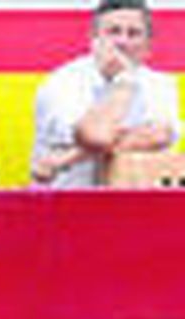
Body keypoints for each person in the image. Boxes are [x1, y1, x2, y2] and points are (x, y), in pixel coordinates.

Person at [30, 0, 178, 187]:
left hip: (127, 198)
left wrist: (67, 158)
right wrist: (123, 82)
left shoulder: (160, 83)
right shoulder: (63, 83)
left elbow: (158, 136)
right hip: (66, 198)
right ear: (94, 38)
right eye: (113, 32)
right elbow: (97, 137)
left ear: (148, 44)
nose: (123, 41)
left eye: (134, 33)